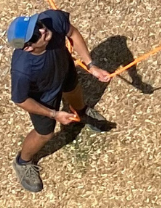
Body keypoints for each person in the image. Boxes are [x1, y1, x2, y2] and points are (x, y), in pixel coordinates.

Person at [7, 10, 114, 194]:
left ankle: (81, 112)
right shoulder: (22, 70)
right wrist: (54, 114)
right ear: (28, 48)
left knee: (73, 89)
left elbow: (72, 33)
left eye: (38, 24)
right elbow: (21, 100)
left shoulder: (51, 21)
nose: (42, 30)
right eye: (35, 34)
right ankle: (22, 161)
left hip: (64, 69)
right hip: (43, 97)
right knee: (45, 134)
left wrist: (91, 66)